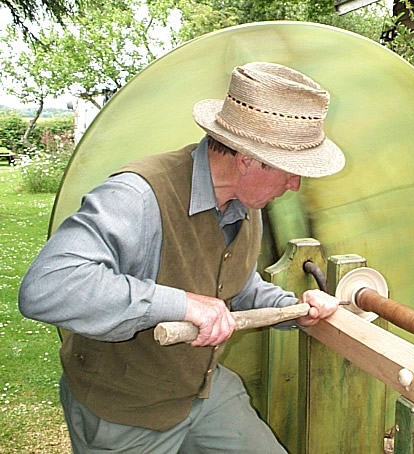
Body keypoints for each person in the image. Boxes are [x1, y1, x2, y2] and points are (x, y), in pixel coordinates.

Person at [19, 62, 346, 453]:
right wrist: (183, 304)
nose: (294, 185)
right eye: (291, 172)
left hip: (203, 392)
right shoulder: (137, 198)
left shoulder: (246, 202)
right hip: (124, 410)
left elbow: (234, 285)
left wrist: (294, 310)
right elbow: (47, 287)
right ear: (246, 159)